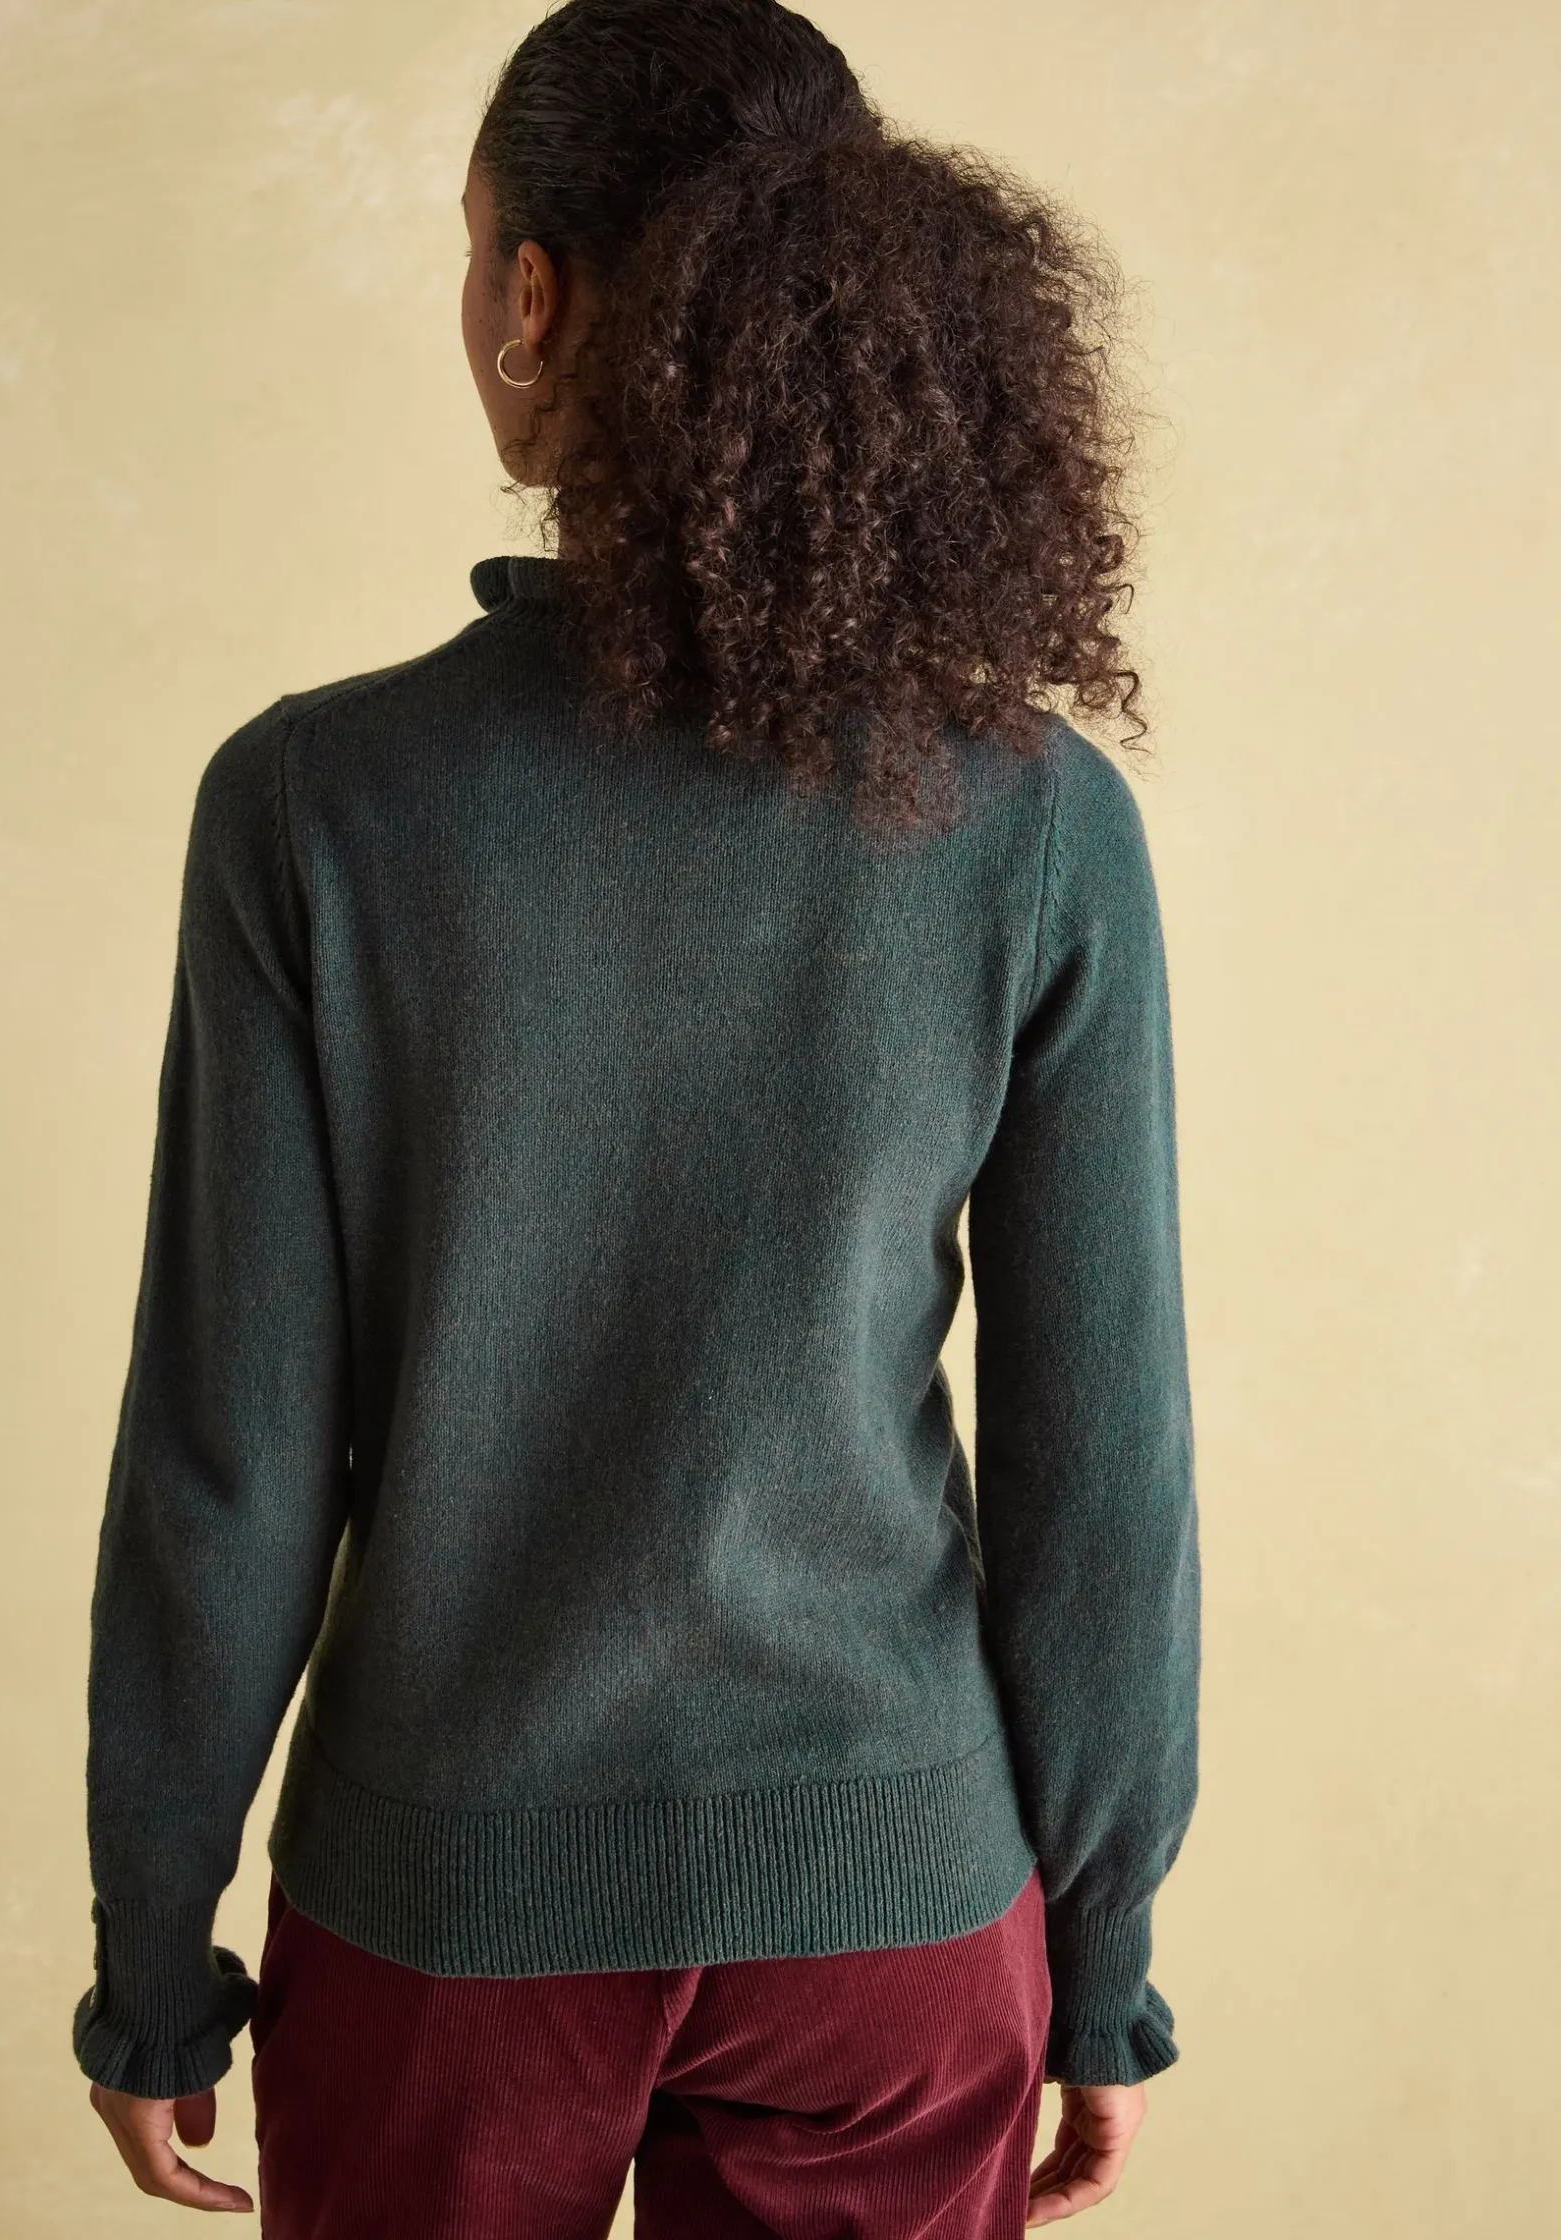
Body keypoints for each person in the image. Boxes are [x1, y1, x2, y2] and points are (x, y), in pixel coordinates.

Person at [73, 3, 1200, 2233]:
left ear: (530, 292)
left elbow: (232, 1454)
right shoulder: (1039, 820)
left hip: (443, 1913)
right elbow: (1106, 1461)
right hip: (897, 1912)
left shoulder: (315, 804)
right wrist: (1104, 1957)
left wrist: (153, 1955)